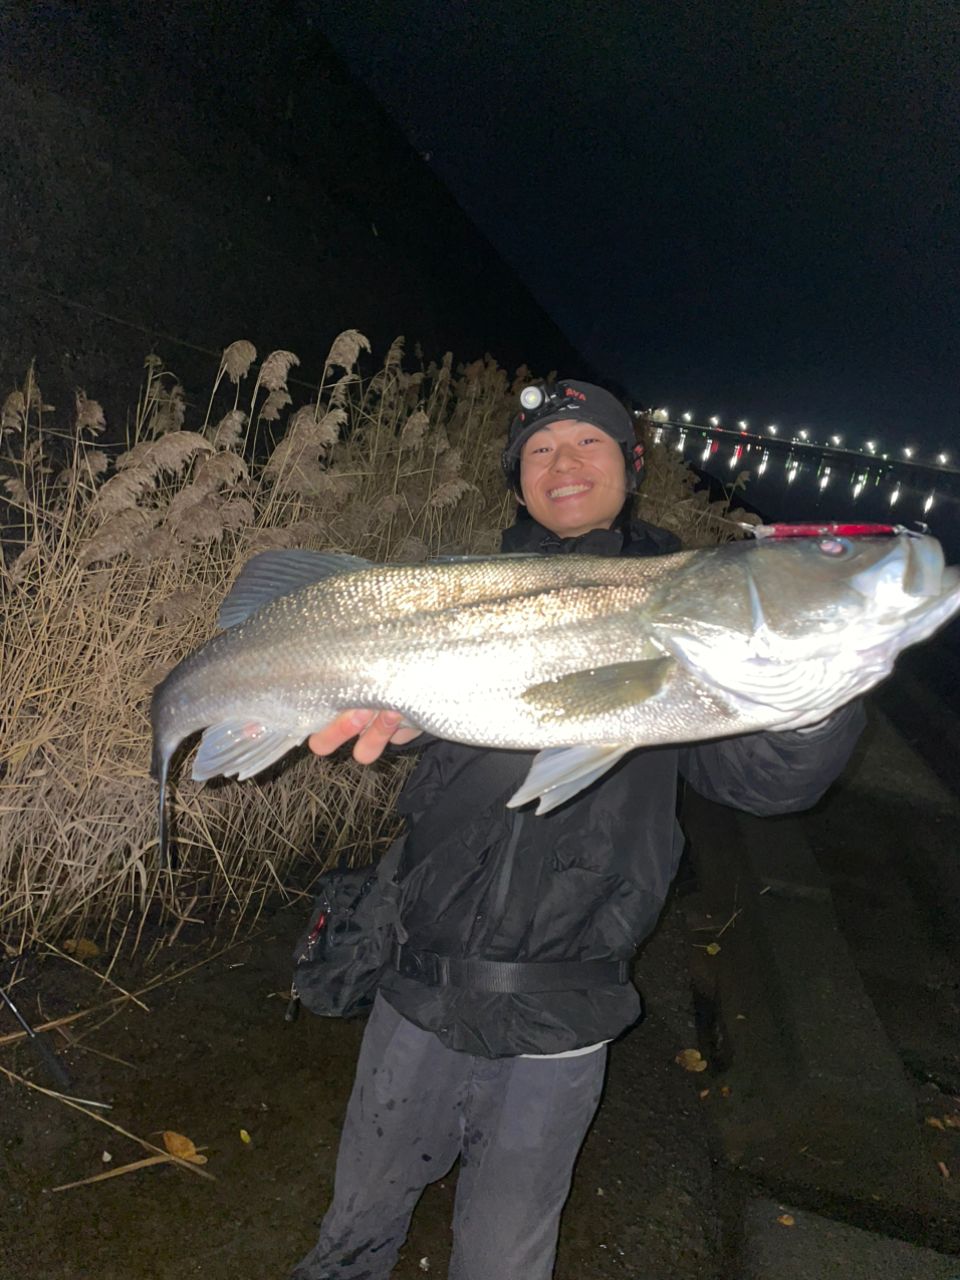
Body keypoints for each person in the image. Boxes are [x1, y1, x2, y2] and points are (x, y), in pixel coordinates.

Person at [289, 380, 864, 1280]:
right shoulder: (454, 596)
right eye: (540, 448)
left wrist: (810, 696)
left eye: (589, 441)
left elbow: (763, 781)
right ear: (517, 480)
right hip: (416, 978)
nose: (564, 462)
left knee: (504, 1257)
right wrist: (387, 715)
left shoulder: (688, 607)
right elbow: (397, 719)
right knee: (353, 1228)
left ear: (630, 467)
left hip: (563, 1006)